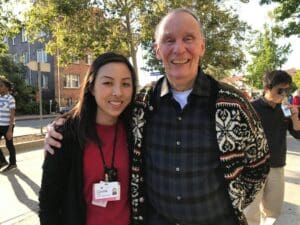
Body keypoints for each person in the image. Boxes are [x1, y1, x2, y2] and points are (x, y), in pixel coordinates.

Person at [44, 8, 270, 225]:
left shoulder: (233, 103)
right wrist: (61, 125)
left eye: (188, 38)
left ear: (202, 46)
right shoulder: (142, 103)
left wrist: (233, 201)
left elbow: (259, 164)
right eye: (169, 40)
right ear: (157, 50)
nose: (179, 49)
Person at [39, 52, 137, 225]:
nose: (118, 92)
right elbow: (49, 204)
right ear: (91, 87)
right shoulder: (65, 134)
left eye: (126, 84)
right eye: (107, 82)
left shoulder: (136, 129)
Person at [244, 70, 300, 225]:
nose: (284, 94)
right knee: (250, 212)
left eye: (287, 90)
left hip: (277, 166)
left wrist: (295, 117)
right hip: (253, 167)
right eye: (280, 90)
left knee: (273, 211)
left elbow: (297, 134)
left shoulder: (285, 109)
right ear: (268, 88)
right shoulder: (251, 108)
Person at [0, 76, 17, 172]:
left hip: (7, 126)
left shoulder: (10, 98)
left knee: (9, 144)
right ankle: (2, 161)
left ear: (7, 87)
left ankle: (13, 163)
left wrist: (10, 129)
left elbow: (12, 114)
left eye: (1, 86)